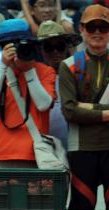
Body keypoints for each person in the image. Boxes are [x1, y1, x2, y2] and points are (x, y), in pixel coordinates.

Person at [59, 5, 109, 210]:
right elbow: (69, 111)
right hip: (82, 148)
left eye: (103, 27)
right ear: (82, 29)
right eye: (92, 27)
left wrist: (85, 107)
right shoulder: (69, 66)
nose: (97, 33)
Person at [0, 19, 55, 168]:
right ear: (3, 47)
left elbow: (43, 104)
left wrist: (29, 70)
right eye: (12, 44)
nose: (18, 48)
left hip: (33, 153)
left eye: (22, 43)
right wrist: (2, 65)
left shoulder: (45, 71)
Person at [37, 20, 80, 149]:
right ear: (41, 50)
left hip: (75, 146)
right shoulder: (33, 77)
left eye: (60, 46)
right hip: (45, 147)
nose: (55, 52)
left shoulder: (79, 75)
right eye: (49, 48)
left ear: (67, 48)